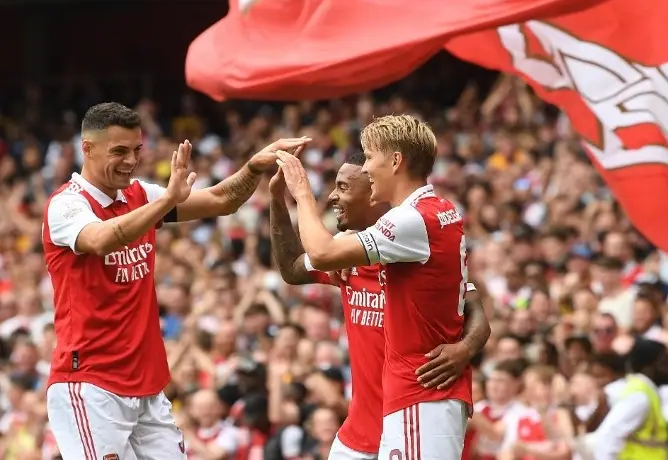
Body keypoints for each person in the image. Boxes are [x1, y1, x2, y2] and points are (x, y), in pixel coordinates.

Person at [42, 102, 309, 459]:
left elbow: (222, 199)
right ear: (86, 148)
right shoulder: (66, 205)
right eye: (118, 151)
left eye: (136, 150)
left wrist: (253, 165)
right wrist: (168, 198)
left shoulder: (139, 195)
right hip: (90, 384)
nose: (130, 160)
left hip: (146, 385)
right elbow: (101, 239)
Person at [269, 151, 491, 460]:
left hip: (416, 413)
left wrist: (465, 349)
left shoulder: (421, 251)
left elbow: (476, 311)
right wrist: (277, 201)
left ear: (373, 192)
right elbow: (292, 269)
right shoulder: (346, 257)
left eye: (344, 187)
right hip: (357, 434)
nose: (333, 196)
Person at [590, 339, 668, 460]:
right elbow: (607, 437)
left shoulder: (647, 392)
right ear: (648, 367)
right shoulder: (639, 396)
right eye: (664, 363)